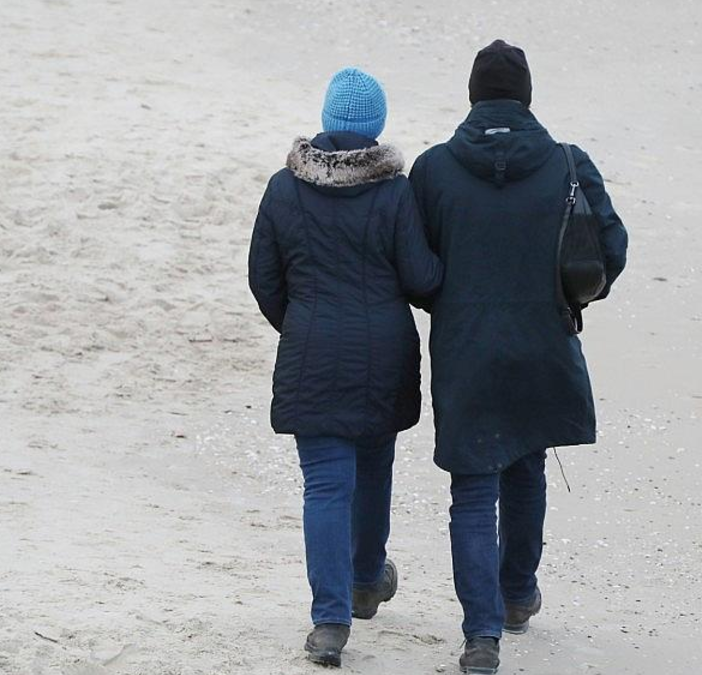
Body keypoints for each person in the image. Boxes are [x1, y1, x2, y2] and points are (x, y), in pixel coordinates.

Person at [408, 40, 628, 674]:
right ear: (527, 96)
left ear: (473, 96)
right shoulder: (567, 163)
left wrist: (450, 306)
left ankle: (481, 638)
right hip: (543, 345)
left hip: (464, 350)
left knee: (473, 490)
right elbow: (608, 252)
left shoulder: (434, 170)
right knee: (527, 467)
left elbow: (415, 266)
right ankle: (515, 596)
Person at [248, 67, 443, 668]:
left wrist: (304, 322)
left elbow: (264, 279)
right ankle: (364, 579)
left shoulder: (285, 187)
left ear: (328, 120)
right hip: (382, 349)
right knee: (374, 465)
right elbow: (421, 280)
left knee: (326, 484)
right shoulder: (396, 192)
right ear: (376, 128)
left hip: (312, 346)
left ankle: (329, 622)